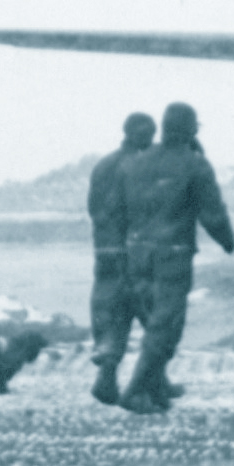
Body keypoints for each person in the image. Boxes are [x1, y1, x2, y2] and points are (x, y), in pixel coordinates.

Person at [117, 100, 234, 415]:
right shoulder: (195, 164)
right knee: (166, 326)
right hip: (172, 255)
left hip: (137, 252)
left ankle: (154, 389)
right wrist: (228, 241)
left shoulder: (137, 161)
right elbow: (212, 213)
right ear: (190, 129)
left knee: (152, 321)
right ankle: (135, 392)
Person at [85, 109, 156, 405]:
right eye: (148, 135)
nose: (151, 140)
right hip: (134, 251)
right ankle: (148, 387)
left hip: (106, 252)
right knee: (154, 317)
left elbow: (94, 208)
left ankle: (107, 379)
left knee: (114, 315)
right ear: (134, 133)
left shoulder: (103, 165)